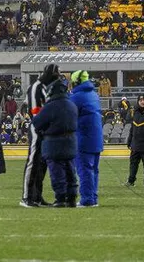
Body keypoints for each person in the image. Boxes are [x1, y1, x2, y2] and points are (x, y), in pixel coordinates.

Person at [31, 76, 78, 207]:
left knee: (57, 173)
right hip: (71, 142)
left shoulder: (50, 106)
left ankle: (61, 198)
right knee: (70, 171)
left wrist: (36, 112)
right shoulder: (72, 105)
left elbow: (37, 123)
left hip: (54, 144)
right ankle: (72, 197)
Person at [20, 64, 57, 207]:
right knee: (33, 161)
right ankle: (26, 197)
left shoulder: (44, 87)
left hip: (44, 129)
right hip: (37, 128)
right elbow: (35, 110)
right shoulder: (36, 86)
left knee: (41, 164)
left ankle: (36, 196)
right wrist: (43, 124)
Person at [69, 70, 104, 207]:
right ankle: (92, 197)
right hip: (96, 139)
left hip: (84, 139)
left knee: (84, 170)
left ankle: (87, 200)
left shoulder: (77, 97)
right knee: (93, 170)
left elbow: (67, 110)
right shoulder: (93, 94)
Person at [126, 95, 144, 187]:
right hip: (135, 144)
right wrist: (129, 141)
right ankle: (131, 181)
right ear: (138, 102)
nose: (142, 102)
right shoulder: (135, 112)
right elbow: (132, 128)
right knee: (133, 164)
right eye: (140, 100)